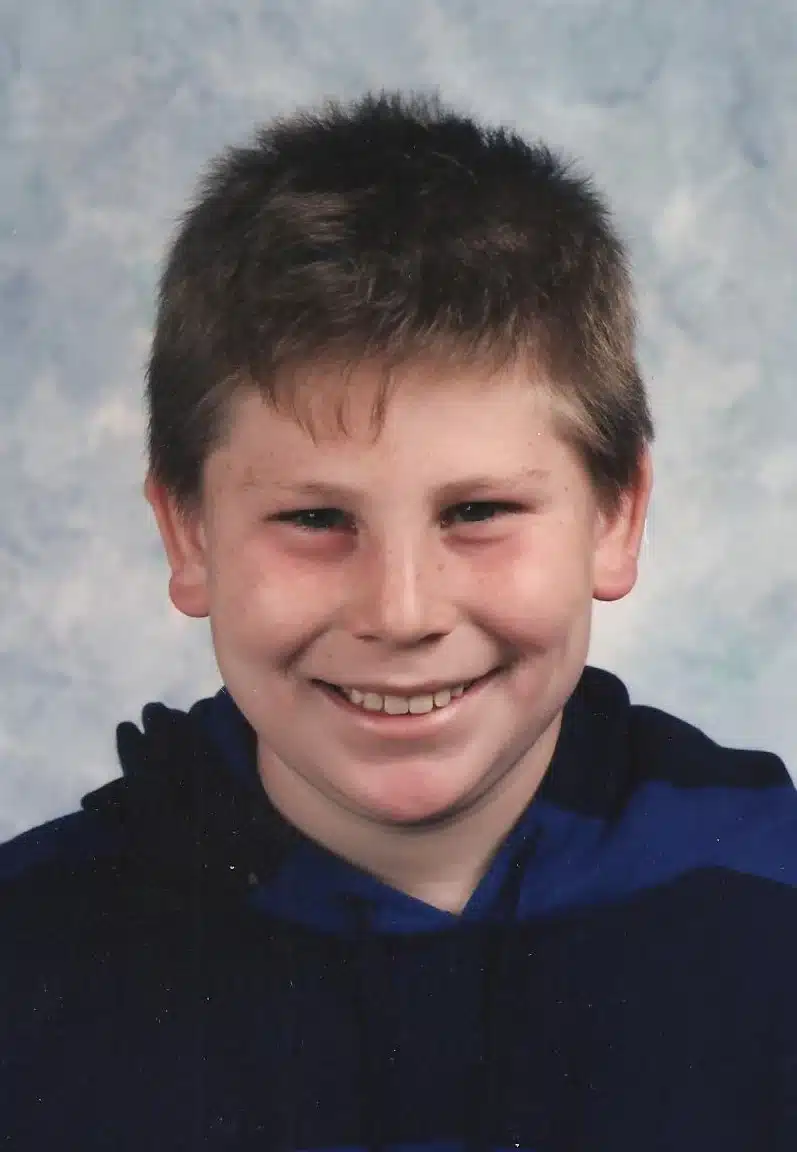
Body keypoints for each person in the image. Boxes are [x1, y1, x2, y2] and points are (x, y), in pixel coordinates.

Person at [1, 91, 795, 1152]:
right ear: (188, 534)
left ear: (615, 519)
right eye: (314, 519)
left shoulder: (768, 895)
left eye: (477, 512)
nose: (401, 612)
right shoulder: (31, 958)